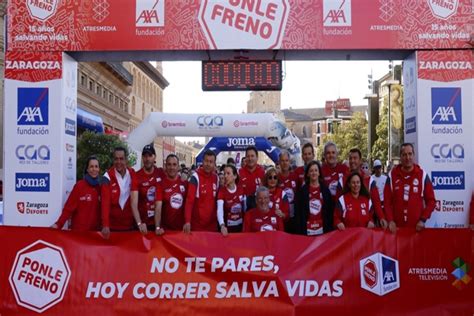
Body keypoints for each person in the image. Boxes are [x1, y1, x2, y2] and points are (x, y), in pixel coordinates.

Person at [384, 143, 436, 233]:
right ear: (400, 157)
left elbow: (431, 201)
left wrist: (423, 220)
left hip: (416, 230)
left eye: (410, 154)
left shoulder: (422, 175)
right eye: (404, 155)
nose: (407, 158)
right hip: (397, 231)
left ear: (413, 155)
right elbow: (387, 202)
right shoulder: (392, 175)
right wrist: (390, 220)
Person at [52, 156, 105, 231]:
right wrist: (58, 224)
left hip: (95, 234)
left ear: (99, 169)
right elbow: (68, 209)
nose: (94, 169)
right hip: (78, 234)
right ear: (87, 169)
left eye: (96, 166)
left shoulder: (102, 187)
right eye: (91, 166)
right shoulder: (79, 186)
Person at [101, 147, 137, 238]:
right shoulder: (107, 176)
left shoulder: (132, 174)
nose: (119, 162)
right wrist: (105, 225)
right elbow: (105, 203)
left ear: (126, 160)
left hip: (129, 226)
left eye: (121, 159)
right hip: (112, 228)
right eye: (116, 159)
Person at [348, 148, 386, 228]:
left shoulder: (368, 179)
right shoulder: (343, 179)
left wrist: (381, 217)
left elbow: (376, 201)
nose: (352, 161)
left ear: (360, 161)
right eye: (350, 158)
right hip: (348, 227)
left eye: (355, 158)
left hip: (366, 225)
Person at [131, 144, 164, 235]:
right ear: (142, 158)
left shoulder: (160, 173)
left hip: (157, 225)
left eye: (150, 156)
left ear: (154, 157)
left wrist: (157, 226)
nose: (147, 159)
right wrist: (139, 223)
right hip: (142, 225)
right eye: (145, 156)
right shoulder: (136, 176)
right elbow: (133, 203)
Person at [183, 150, 219, 233]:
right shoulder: (195, 177)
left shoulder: (216, 178)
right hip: (197, 227)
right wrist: (187, 221)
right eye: (206, 161)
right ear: (202, 161)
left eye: (211, 162)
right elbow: (189, 201)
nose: (208, 164)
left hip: (212, 227)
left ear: (214, 163)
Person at [295, 160, 334, 236]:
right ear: (308, 174)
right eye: (311, 171)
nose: (314, 173)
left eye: (316, 170)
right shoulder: (302, 191)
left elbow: (330, 211)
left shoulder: (325, 190)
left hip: (323, 231)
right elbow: (298, 214)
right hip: (306, 232)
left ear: (319, 173)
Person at [155, 154, 187, 235]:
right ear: (165, 166)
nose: (172, 167)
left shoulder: (185, 183)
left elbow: (189, 206)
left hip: (182, 231)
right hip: (166, 232)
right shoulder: (160, 184)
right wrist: (157, 227)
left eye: (174, 164)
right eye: (169, 164)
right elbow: (158, 207)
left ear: (178, 167)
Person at [217, 164, 246, 236]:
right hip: (227, 229)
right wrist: (222, 225)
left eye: (228, 173)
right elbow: (219, 210)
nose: (225, 176)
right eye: (224, 173)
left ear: (235, 176)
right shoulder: (222, 191)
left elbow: (245, 208)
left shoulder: (241, 189)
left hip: (240, 228)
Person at [277, 150, 298, 231]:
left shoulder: (295, 176)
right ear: (279, 162)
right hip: (281, 216)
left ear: (289, 161)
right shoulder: (276, 177)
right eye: (282, 161)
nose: (285, 163)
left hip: (294, 216)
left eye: (286, 160)